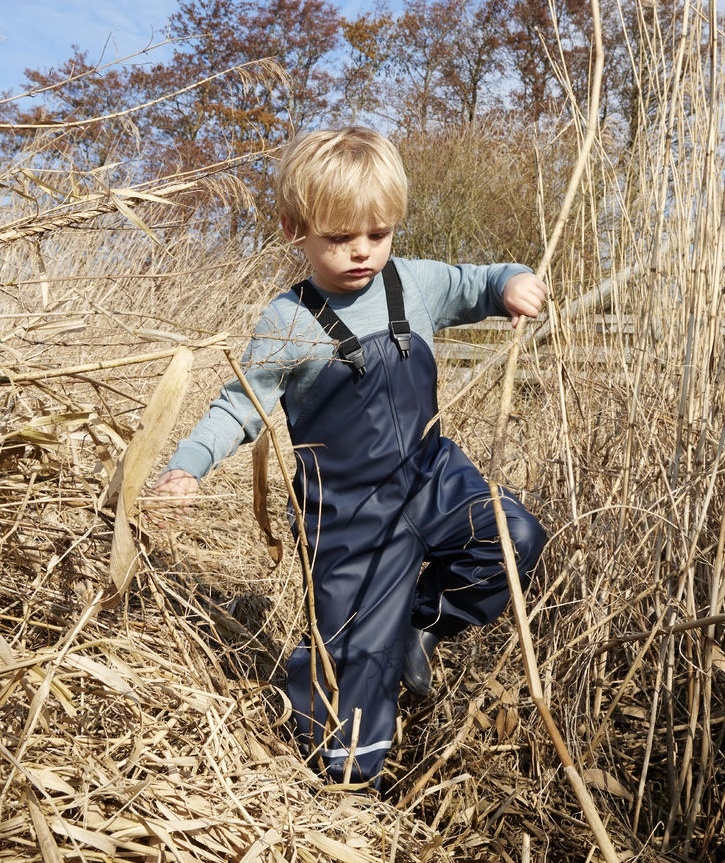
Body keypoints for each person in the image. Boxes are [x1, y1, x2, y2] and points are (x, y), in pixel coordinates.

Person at [152, 126, 548, 791]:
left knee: (511, 538)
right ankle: (342, 787)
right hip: (346, 520)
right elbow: (237, 406)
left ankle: (417, 625)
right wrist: (187, 465)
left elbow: (484, 281)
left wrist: (513, 284)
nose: (362, 251)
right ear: (293, 229)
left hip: (430, 478)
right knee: (350, 670)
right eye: (338, 238)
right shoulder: (287, 322)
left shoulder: (417, 283)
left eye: (378, 232)